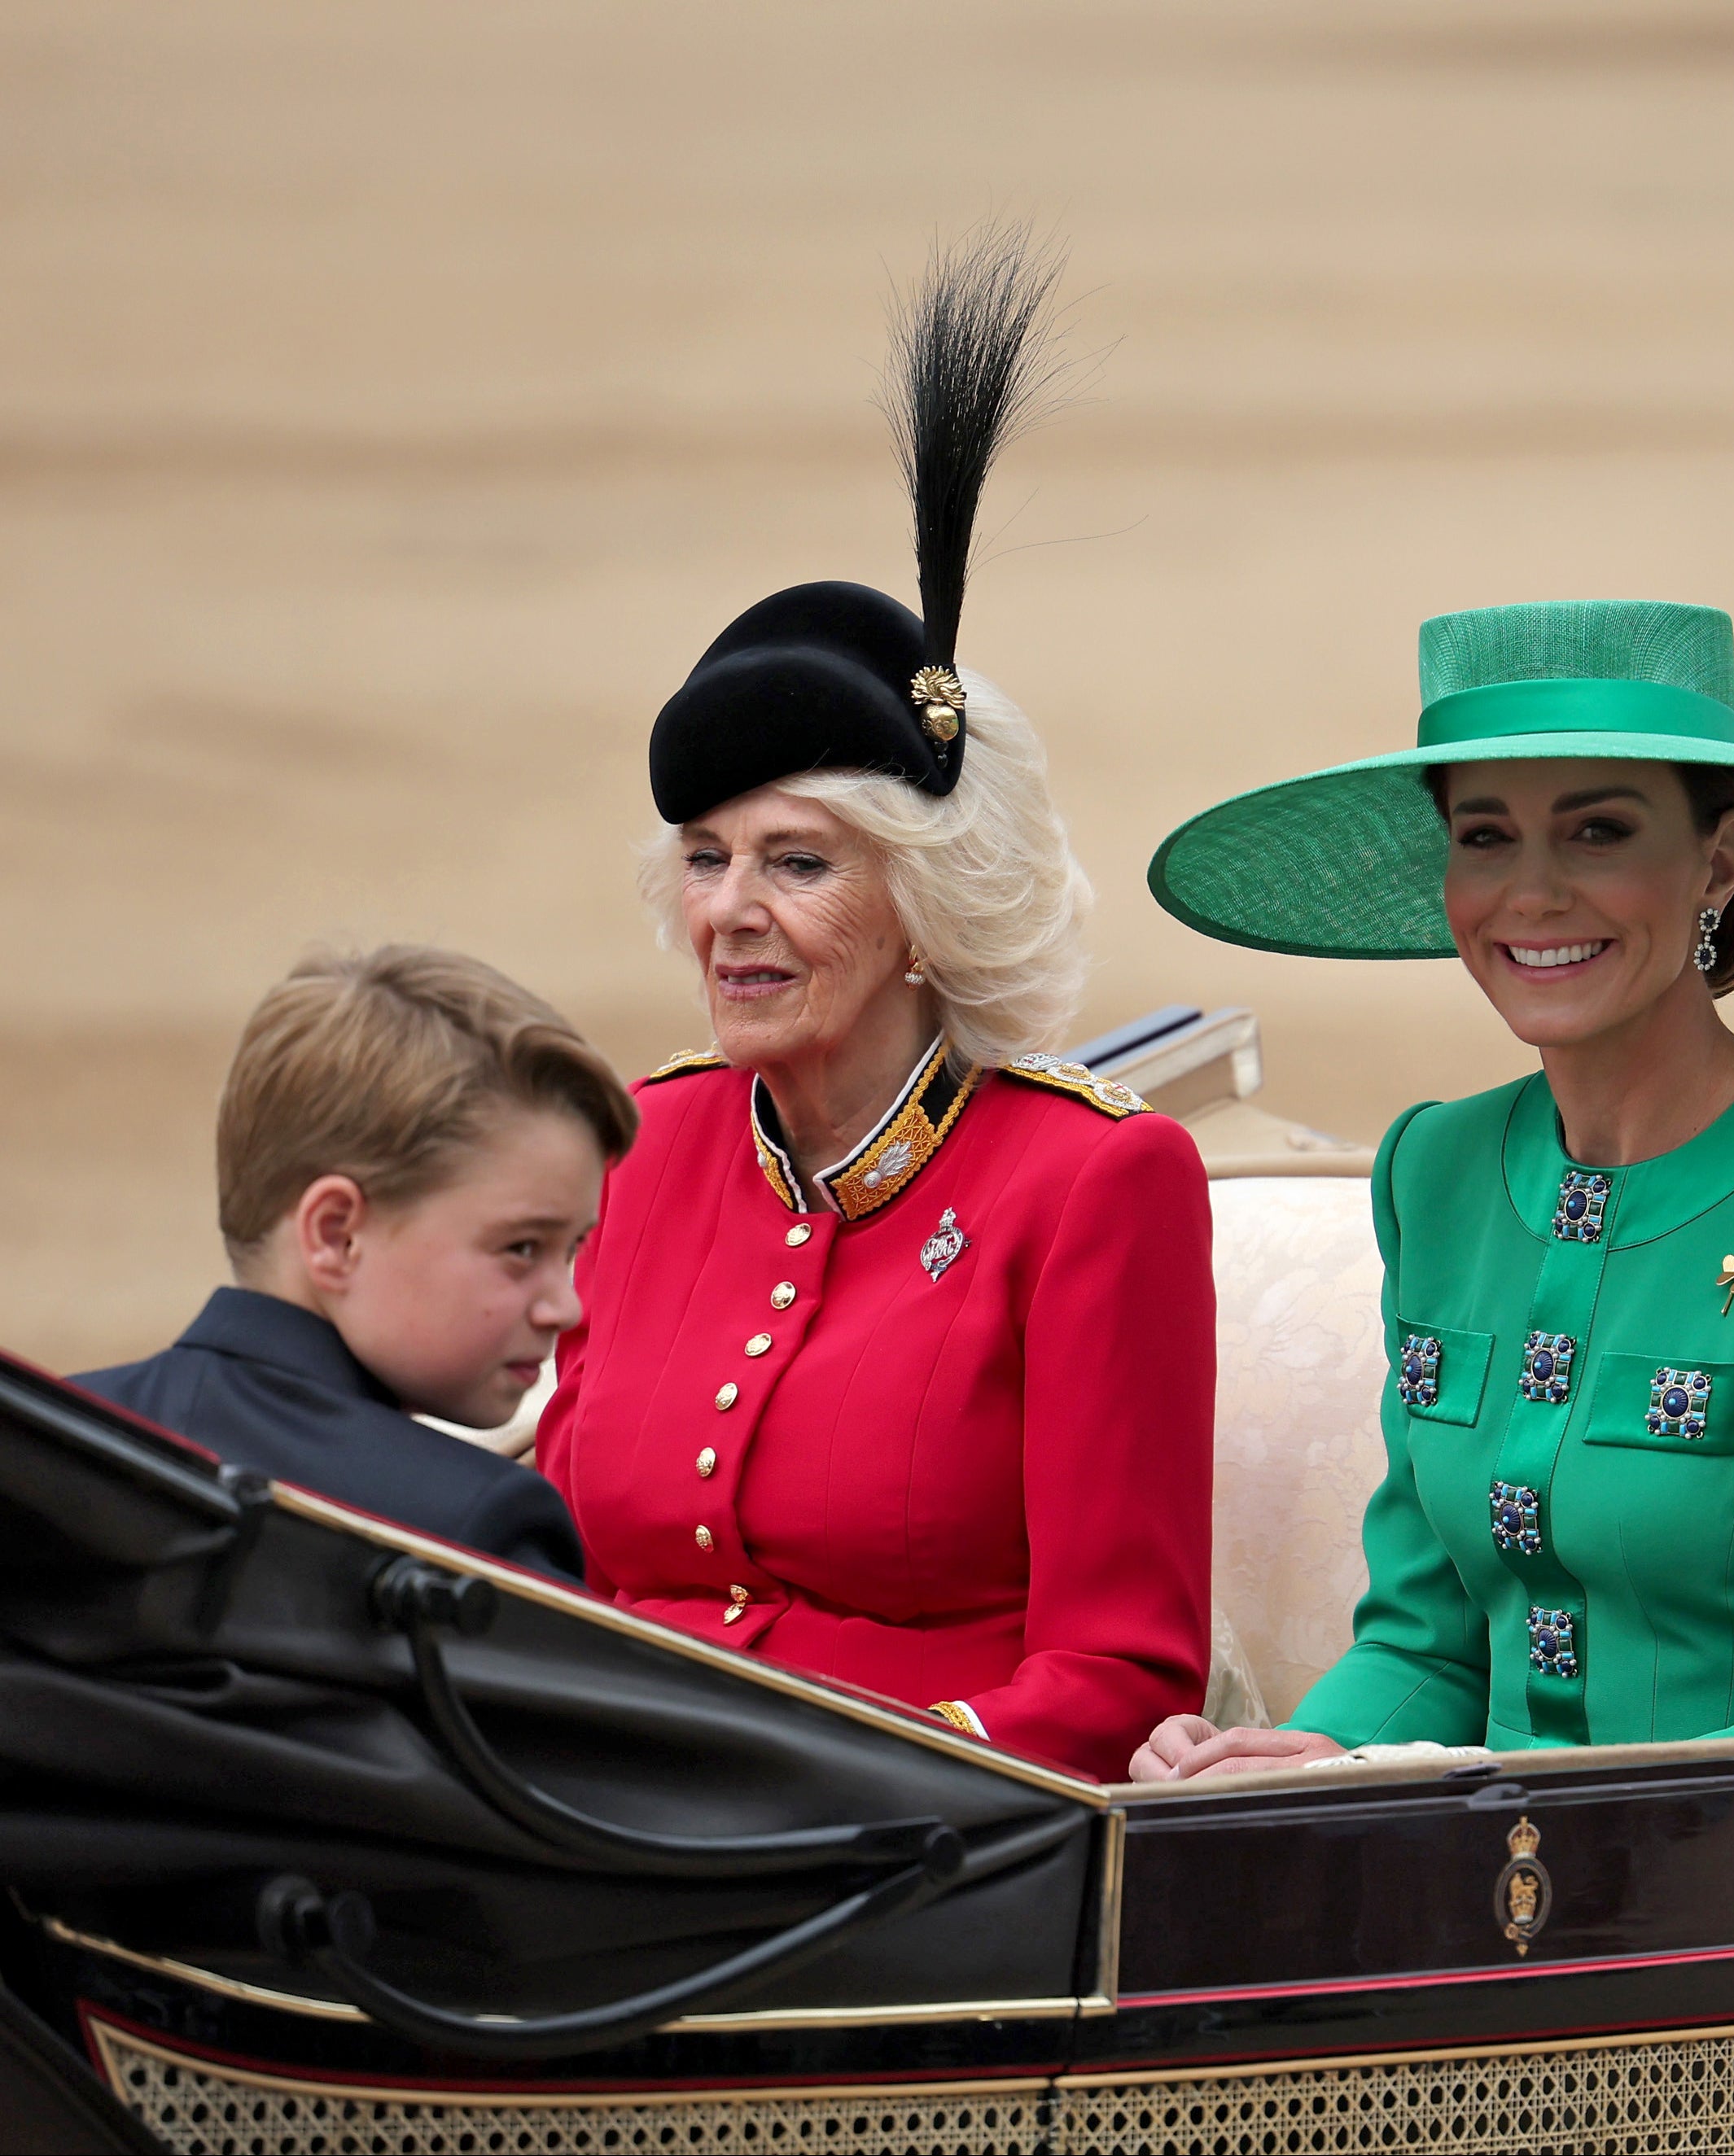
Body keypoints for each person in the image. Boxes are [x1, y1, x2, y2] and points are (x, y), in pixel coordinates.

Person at [532, 238, 1215, 1786]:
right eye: (704, 861)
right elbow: (545, 1568)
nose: (730, 910)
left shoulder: (1095, 1181)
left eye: (797, 862)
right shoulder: (639, 1141)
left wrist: (830, 1772)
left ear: (927, 900)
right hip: (589, 1803)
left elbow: (1117, 1669)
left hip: (913, 1840)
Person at [1128, 598, 1734, 1780]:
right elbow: (1427, 1640)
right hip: (1460, 1871)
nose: (1532, 894)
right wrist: (1304, 1753)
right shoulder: (1432, 1173)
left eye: (1596, 831)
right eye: (1485, 836)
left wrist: (1425, 1797)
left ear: (1719, 858)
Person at [77, 946, 630, 1581]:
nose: (566, 1304)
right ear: (337, 1235)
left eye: (574, 1249)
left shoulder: (45, 1447)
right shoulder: (472, 1529)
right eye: (521, 1248)